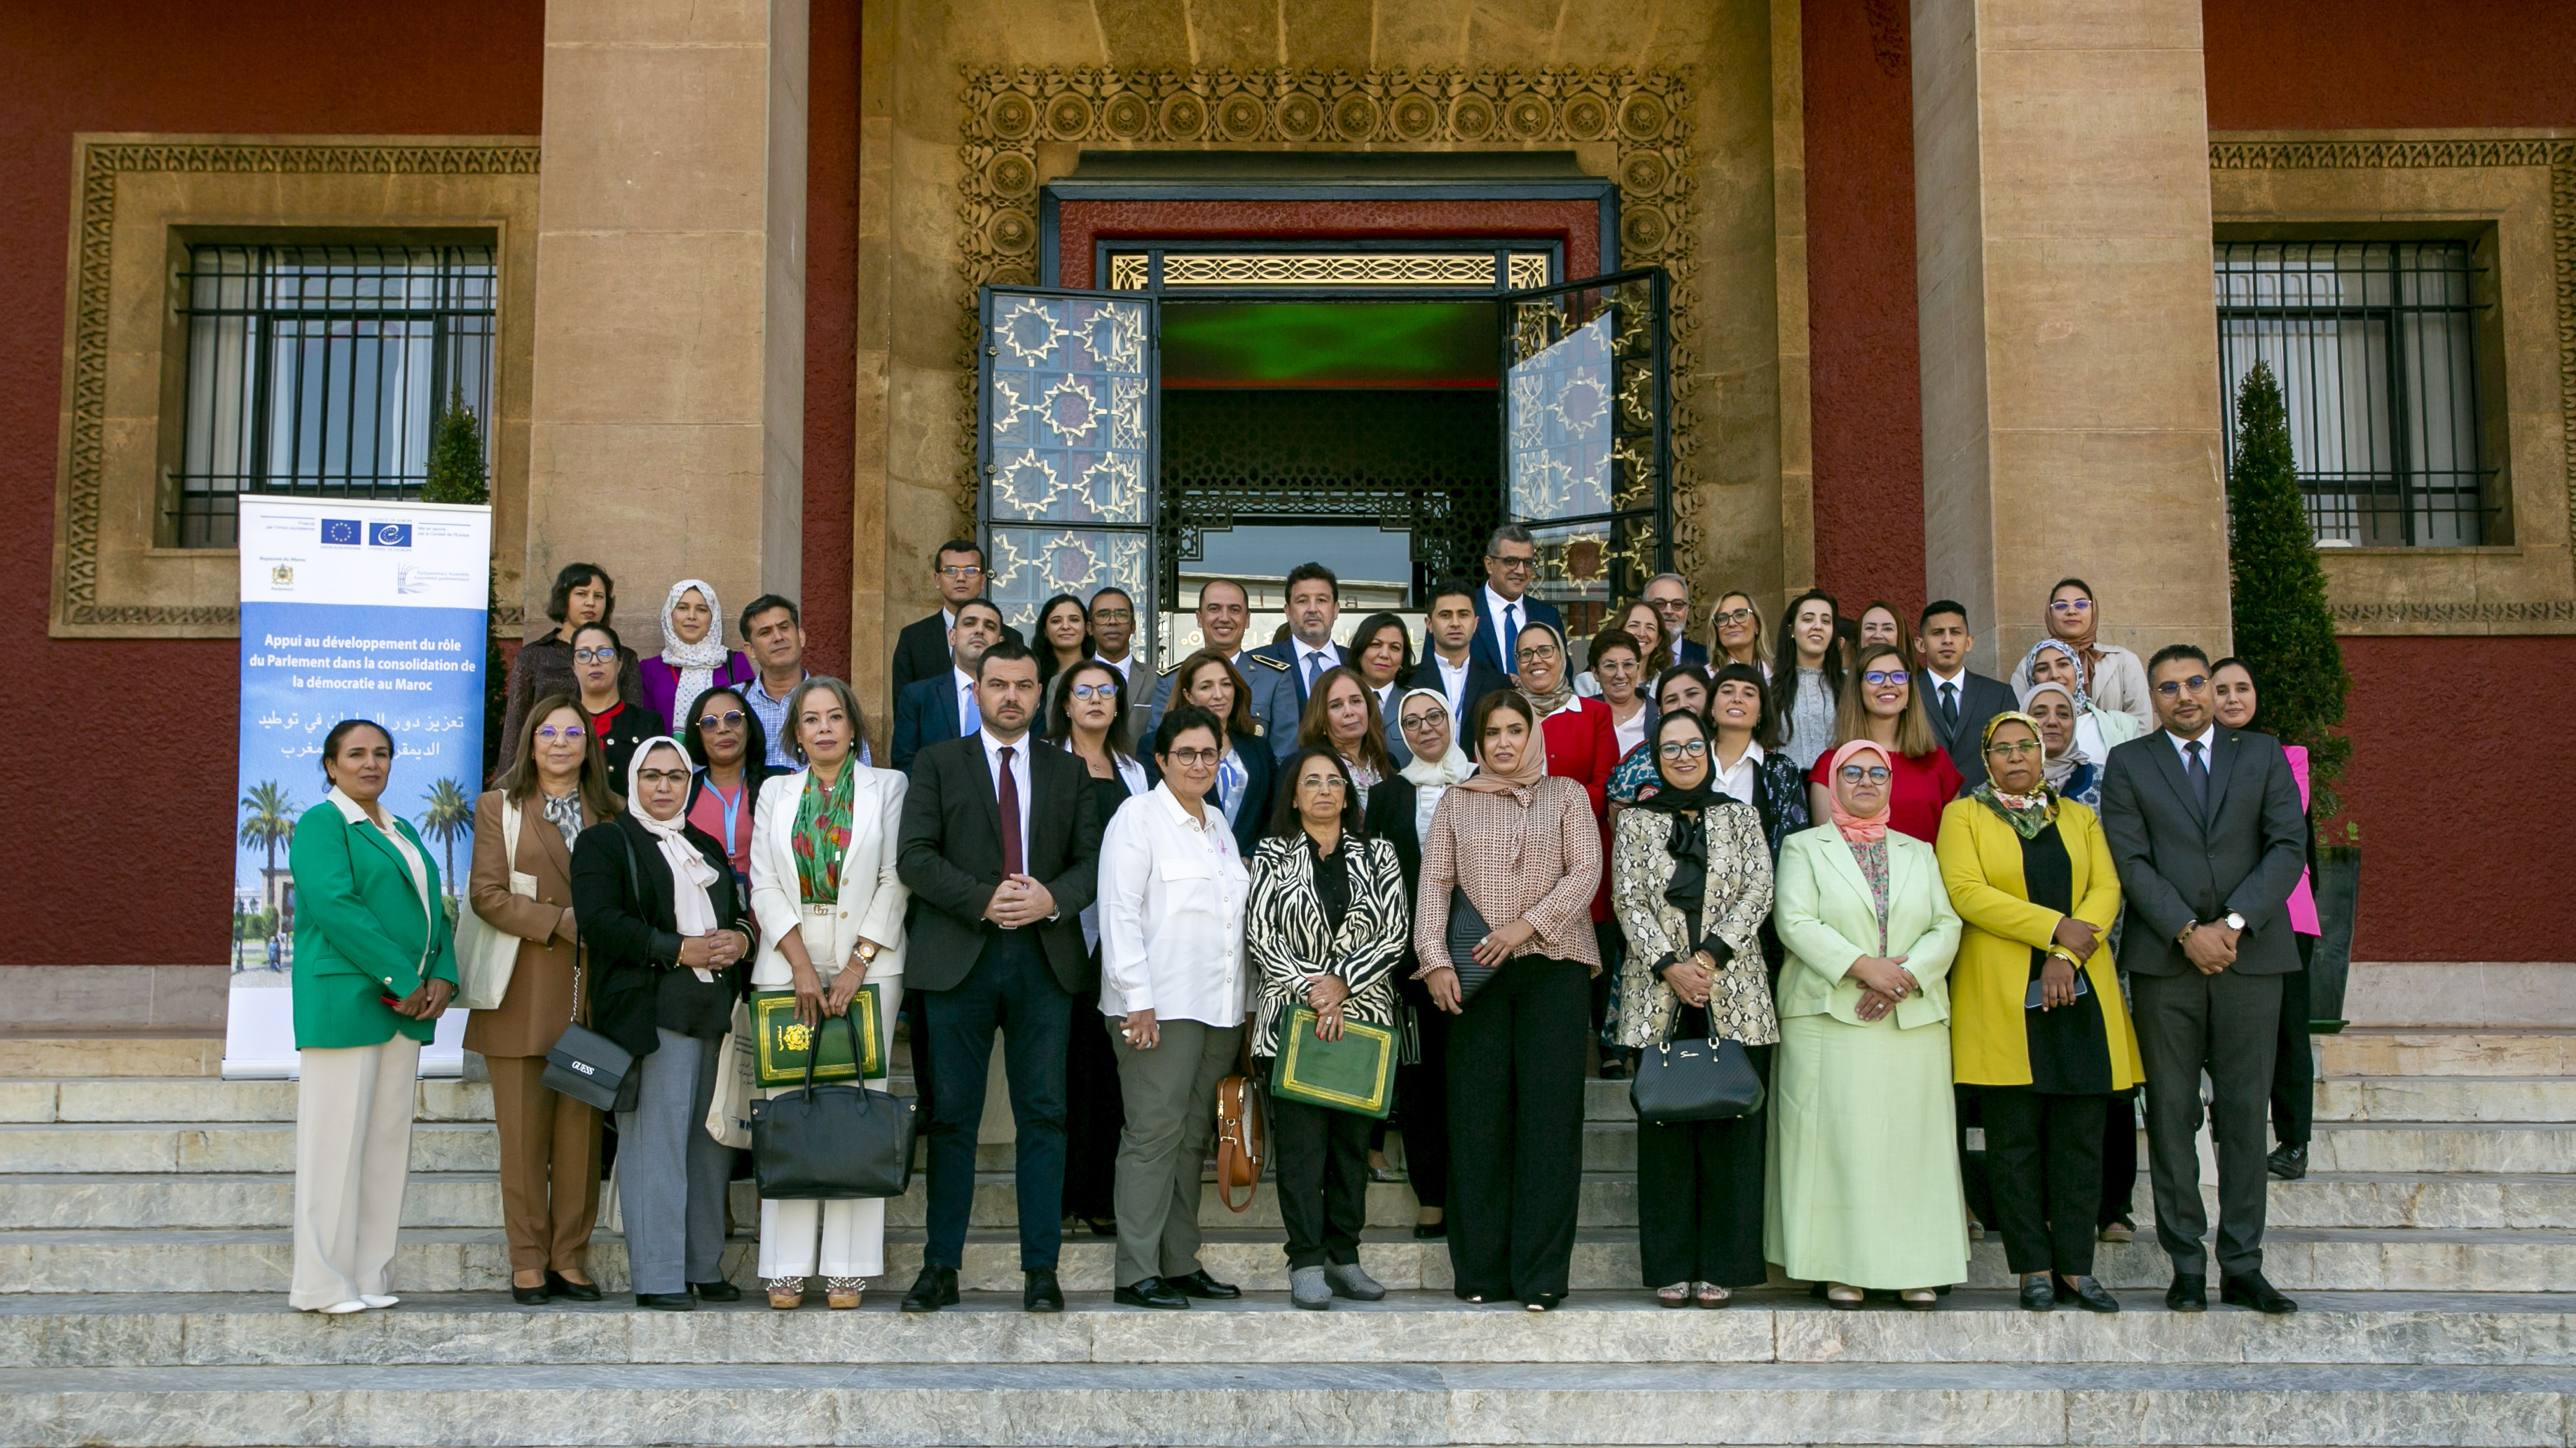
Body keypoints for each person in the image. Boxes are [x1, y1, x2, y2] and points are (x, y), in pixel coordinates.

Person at [895, 637, 1104, 1315]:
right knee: (951, 1118)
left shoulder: (1068, 772)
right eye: (997, 684)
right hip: (959, 957)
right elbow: (915, 858)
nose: (1010, 696)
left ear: (1040, 693)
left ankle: (1041, 1270)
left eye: (1022, 685)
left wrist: (1053, 898)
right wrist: (982, 898)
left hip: (1045, 960)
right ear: (976, 689)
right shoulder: (936, 762)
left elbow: (1094, 859)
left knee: (1044, 1117)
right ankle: (940, 1267)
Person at [2100, 644, 2309, 1316]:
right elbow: (2129, 859)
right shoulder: (2129, 763)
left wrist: (2236, 923)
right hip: (2168, 963)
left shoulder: (2263, 754)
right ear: (2152, 698)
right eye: (2169, 687)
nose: (2185, 695)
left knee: (2245, 1115)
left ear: (2213, 689)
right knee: (2169, 1116)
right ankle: (2185, 1263)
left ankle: (2243, 1265)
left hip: (2253, 961)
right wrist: (2188, 931)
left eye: (2195, 682)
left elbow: (2287, 845)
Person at [1938, 714, 2140, 1314]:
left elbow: (2105, 890)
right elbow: (1967, 892)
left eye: (2026, 744)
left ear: (2043, 752)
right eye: (2001, 748)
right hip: (2001, 997)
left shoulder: (2078, 817)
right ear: (1986, 757)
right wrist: (2054, 927)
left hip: (2078, 992)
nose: (2016, 755)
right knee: (2013, 1139)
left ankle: (2077, 1266)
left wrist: (2063, 956)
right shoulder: (1963, 816)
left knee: (2080, 1139)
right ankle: (2031, 1265)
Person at [1412, 691, 1603, 1311]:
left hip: (1554, 969)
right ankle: (1481, 1272)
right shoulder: (1455, 802)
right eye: (1491, 731)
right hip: (1475, 979)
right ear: (1478, 739)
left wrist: (1526, 925)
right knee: (1477, 1124)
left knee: (1548, 1125)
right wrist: (1436, 961)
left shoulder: (1567, 795)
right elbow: (1433, 885)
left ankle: (1541, 1274)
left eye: (1514, 730)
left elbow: (1585, 873)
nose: (1502, 742)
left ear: (1532, 735)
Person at [1768, 739, 1967, 1308]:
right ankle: (1839, 1266)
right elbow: (1795, 919)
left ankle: (1915, 1265)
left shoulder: (1918, 850)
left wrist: (1901, 979)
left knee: (1912, 1145)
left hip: (1910, 1016)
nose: (1864, 781)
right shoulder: (1803, 847)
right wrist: (1864, 969)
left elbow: (1944, 924)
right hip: (1830, 1011)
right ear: (1832, 782)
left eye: (1876, 772)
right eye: (1850, 772)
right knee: (1836, 1144)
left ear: (1890, 783)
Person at [285, 720, 460, 1314]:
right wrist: (404, 979)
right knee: (332, 1147)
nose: (370, 763)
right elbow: (337, 907)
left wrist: (443, 974)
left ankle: (368, 1274)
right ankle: (320, 1283)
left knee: (385, 1145)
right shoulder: (321, 823)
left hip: (403, 1007)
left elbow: (433, 910)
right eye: (356, 754)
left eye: (381, 753)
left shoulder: (402, 826)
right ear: (331, 766)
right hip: (347, 1003)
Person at [570, 738, 751, 1311]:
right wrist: (679, 949)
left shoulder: (704, 844)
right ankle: (658, 1276)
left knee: (709, 1147)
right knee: (657, 1148)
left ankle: (702, 1264)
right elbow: (600, 923)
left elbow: (739, 911)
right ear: (632, 781)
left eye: (676, 775)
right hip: (652, 1012)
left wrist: (739, 938)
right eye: (651, 775)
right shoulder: (604, 840)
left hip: (712, 1013)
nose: (664, 786)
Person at [747, 677, 909, 1310]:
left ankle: (849, 1267)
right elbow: (762, 882)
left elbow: (896, 879)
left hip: (869, 966)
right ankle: (785, 1267)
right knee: (790, 1106)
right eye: (809, 719)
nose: (822, 728)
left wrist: (857, 963)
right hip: (787, 965)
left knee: (859, 1106)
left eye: (834, 716)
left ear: (852, 726)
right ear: (794, 732)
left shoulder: (887, 786)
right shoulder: (775, 791)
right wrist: (802, 967)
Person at [1610, 709, 1777, 1307]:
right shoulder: (1633, 823)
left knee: (1732, 1133)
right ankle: (1671, 1265)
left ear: (1708, 751)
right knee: (1666, 1136)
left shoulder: (1740, 816)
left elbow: (1759, 888)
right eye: (1669, 748)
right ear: (1654, 756)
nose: (1682, 756)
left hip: (1732, 989)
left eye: (1692, 746)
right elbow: (1627, 899)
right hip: (1658, 993)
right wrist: (1671, 967)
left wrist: (1706, 959)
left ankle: (1723, 1263)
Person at [1089, 704, 1253, 1309]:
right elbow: (1119, 912)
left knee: (1190, 1140)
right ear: (1160, 759)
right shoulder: (1138, 818)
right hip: (1159, 1007)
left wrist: (1248, 1004)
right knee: (1153, 1135)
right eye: (1185, 752)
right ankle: (1135, 1272)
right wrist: (1137, 1001)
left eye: (1209, 753)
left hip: (1218, 1009)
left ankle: (1179, 1261)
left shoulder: (1217, 824)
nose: (1198, 763)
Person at [1246, 746, 1411, 1309]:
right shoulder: (1270, 854)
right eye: (1310, 781)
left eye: (1334, 781)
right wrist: (1317, 992)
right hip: (1292, 1022)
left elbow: (1394, 933)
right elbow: (1261, 936)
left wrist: (1341, 983)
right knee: (1300, 1151)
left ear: (1348, 793)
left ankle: (1345, 1256)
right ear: (1293, 795)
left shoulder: (1379, 853)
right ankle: (1306, 1260)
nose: (1323, 790)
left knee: (1348, 1151)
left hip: (1362, 1023)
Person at [467, 696, 615, 1305]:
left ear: (589, 743)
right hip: (521, 992)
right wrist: (559, 921)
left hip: (591, 997)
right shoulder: (497, 807)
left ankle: (568, 1258)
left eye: (572, 731)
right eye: (548, 731)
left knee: (580, 1140)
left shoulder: (612, 812)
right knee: (524, 1142)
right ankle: (527, 1260)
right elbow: (486, 894)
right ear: (530, 742)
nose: (560, 742)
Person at [2210, 658, 2324, 1182]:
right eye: (2221, 689)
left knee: (2286, 1031)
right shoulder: (2190, 760)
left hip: (2285, 913)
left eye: (2242, 688)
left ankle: (2293, 1141)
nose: (2233, 698)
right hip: (2211, 916)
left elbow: (2281, 836)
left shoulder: (2286, 756)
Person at [1044, 659, 1148, 1236]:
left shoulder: (1134, 769)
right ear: (1065, 703)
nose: (1094, 699)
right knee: (1061, 1073)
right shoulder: (1044, 761)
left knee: (1110, 1072)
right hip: (1061, 934)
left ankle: (1101, 1197)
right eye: (1082, 691)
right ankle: (1060, 1199)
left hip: (1120, 939)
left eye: (1106, 691)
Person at [1386, 688, 1473, 1240]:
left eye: (1434, 717)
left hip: (1477, 954)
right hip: (1411, 962)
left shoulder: (1482, 779)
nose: (1424, 728)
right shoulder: (1389, 794)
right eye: (1412, 722)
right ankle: (1432, 1195)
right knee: (1420, 1081)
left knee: (1473, 1079)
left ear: (1450, 719)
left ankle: (1473, 1189)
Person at [1517, 620, 1621, 1073]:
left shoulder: (1594, 713)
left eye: (1545, 650)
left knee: (1596, 941)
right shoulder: (1506, 713)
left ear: (1563, 657)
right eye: (1525, 654)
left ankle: (1608, 1043)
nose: (1536, 660)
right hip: (1521, 850)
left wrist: (1558, 813)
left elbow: (1605, 782)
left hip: (1586, 848)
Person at [1805, 642, 1962, 843]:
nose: (1888, 684)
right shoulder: (1831, 765)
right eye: (1876, 677)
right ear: (1857, 689)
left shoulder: (1937, 760)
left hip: (1927, 873)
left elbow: (1956, 843)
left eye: (1898, 676)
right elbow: (1827, 850)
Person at [500, 563, 644, 761]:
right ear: (563, 599)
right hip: (547, 762)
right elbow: (515, 727)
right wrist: (508, 785)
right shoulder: (533, 656)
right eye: (582, 594)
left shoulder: (624, 658)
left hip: (609, 765)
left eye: (598, 596)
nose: (591, 603)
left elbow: (633, 721)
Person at [1162, 649, 1277, 863]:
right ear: (1188, 695)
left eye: (1226, 684)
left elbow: (1273, 813)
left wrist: (1250, 856)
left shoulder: (1259, 748)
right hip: (1189, 867)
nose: (1219, 694)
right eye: (1206, 687)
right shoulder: (1159, 745)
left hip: (1251, 871)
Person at [2007, 579, 2154, 734]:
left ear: (2094, 610)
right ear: (2049, 614)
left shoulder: (2123, 661)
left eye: (2081, 604)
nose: (2071, 611)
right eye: (2061, 606)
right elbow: (2020, 725)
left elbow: (2141, 726)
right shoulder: (2028, 666)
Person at [1147, 578, 1286, 733]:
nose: (1225, 618)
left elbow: (1284, 754)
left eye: (1234, 610)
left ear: (1247, 620)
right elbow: (1158, 746)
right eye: (1214, 609)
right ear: (1199, 618)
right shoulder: (1170, 680)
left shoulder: (1275, 678)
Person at [893, 539, 1024, 695]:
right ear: (937, 580)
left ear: (983, 581)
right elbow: (904, 707)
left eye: (970, 571)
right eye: (951, 570)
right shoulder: (913, 638)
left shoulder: (1011, 638)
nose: (961, 578)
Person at [1707, 662, 1812, 857]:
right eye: (1728, 691)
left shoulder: (1782, 771)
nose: (1737, 699)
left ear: (1761, 712)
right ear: (1712, 707)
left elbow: (1791, 846)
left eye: (1748, 693)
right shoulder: (1690, 760)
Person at [890, 597, 1004, 772]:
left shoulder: (1017, 697)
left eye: (989, 626)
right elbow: (904, 763)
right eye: (969, 623)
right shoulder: (918, 696)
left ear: (1000, 643)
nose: (979, 630)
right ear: (952, 636)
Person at [682, 686, 776, 896]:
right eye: (709, 723)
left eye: (733, 718)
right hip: (705, 919)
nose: (723, 729)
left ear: (749, 728)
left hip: (776, 920)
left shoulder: (781, 783)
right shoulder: (683, 793)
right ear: (697, 735)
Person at [1916, 601, 2017, 789]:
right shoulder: (1906, 694)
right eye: (1937, 633)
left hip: (1985, 809)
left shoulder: (1999, 695)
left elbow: (2012, 753)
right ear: (1920, 644)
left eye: (1956, 632)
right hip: (1924, 807)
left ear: (1969, 642)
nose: (1947, 640)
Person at [1251, 563, 1344, 754]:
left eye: (1321, 600)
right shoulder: (1258, 663)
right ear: (1287, 611)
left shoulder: (1358, 662)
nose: (1312, 609)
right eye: (1302, 601)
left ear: (1336, 610)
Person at [638, 578, 756, 729]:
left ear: (713, 617)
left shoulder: (735, 663)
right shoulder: (649, 669)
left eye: (701, 609)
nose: (692, 616)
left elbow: (748, 722)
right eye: (682, 608)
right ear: (669, 615)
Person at [2021, 638, 2144, 769]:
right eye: (2043, 669)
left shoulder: (2124, 725)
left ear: (2077, 671)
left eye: (2062, 665)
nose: (2054, 675)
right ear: (2032, 678)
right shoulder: (2020, 729)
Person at [567, 622, 666, 785]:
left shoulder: (648, 724)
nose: (594, 662)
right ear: (573, 667)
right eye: (584, 655)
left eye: (604, 653)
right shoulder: (558, 722)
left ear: (619, 663)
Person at [1295, 665, 1399, 811]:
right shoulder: (1304, 765)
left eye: (1356, 701)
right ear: (1322, 717)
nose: (1349, 712)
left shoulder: (1388, 761)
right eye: (1336, 705)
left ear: (1368, 707)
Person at [1609, 663, 1713, 808]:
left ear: (1711, 698)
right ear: (1661, 710)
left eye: (1692, 694)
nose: (1683, 704)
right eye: (1672, 700)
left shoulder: (1728, 748)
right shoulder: (1637, 762)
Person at [1471, 525, 1565, 682]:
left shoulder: (1548, 616)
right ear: (1489, 565)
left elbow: (1563, 673)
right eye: (1511, 561)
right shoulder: (1464, 611)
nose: (1521, 571)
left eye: (1527, 563)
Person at [1412, 581, 1512, 726]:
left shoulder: (1498, 683)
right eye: (1445, 615)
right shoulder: (1408, 681)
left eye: (1463, 615)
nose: (1455, 623)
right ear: (1429, 624)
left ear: (1476, 623)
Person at [738, 595, 816, 771]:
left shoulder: (834, 701)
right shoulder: (732, 704)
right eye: (765, 632)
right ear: (750, 650)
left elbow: (860, 774)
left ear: (801, 637)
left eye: (784, 627)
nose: (778, 637)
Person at [1772, 588, 1845, 770]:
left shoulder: (1850, 685)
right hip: (1786, 791)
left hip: (1837, 788)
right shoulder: (1768, 687)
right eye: (1808, 619)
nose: (1818, 626)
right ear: (1792, 630)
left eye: (1826, 621)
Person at [1346, 611, 1415, 768]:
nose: (1384, 655)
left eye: (1395, 648)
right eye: (1375, 645)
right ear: (1360, 650)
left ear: (1403, 658)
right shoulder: (1339, 699)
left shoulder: (1415, 702)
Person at [2021, 680, 2102, 812]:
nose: (2052, 722)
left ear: (2074, 722)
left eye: (2063, 714)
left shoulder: (2106, 779)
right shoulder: (2005, 782)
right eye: (2040, 713)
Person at [1584, 626, 1655, 767]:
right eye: (1610, 666)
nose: (1621, 674)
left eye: (1628, 664)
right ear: (1595, 673)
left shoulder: (1659, 713)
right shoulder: (1581, 716)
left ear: (1638, 668)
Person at [1575, 600, 1665, 698]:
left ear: (1658, 640)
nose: (1642, 633)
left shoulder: (1665, 682)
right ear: (1620, 630)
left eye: (1650, 628)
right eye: (1634, 625)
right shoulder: (1588, 682)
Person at [1033, 592, 1094, 697]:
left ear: (1086, 628)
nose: (1065, 626)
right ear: (1045, 631)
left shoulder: (1100, 671)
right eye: (1056, 621)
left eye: (1074, 620)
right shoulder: (1034, 675)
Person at [1644, 573, 1707, 669]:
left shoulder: (1708, 658)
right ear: (1644, 608)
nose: (1669, 611)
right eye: (1659, 604)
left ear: (1687, 610)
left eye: (1677, 604)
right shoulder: (1631, 657)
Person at [1088, 586, 1142, 689]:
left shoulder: (1158, 680)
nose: (1112, 621)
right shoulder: (1066, 679)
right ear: (1090, 628)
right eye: (1103, 615)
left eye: (1121, 614)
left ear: (1133, 626)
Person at [1708, 591, 1768, 677]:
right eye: (1722, 618)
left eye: (1740, 615)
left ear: (1757, 625)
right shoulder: (1706, 679)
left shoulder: (1778, 673)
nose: (1732, 623)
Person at [1856, 600, 1915, 664]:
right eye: (1870, 628)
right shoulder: (1849, 673)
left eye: (1887, 629)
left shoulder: (1918, 674)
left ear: (1900, 636)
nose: (1878, 635)